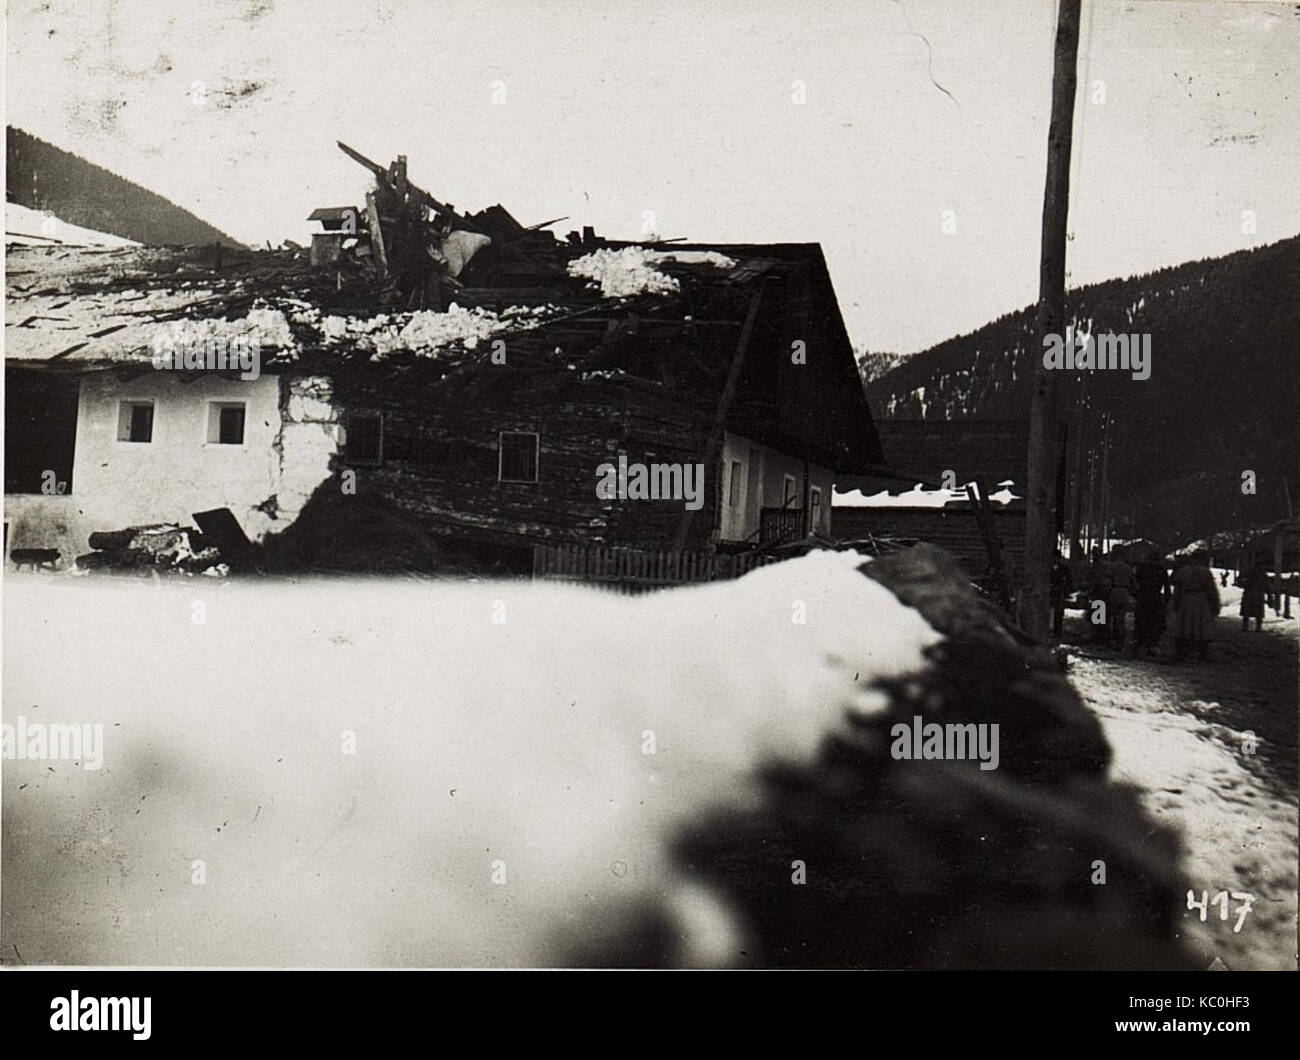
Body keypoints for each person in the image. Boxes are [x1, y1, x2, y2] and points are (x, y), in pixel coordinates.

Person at [1172, 554, 1220, 661]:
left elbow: (1177, 590)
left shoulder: (1183, 571)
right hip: (1201, 600)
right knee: (1201, 626)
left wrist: (1176, 603)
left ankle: (1182, 652)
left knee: (1184, 625)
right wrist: (1215, 604)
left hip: (1187, 599)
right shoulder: (1206, 572)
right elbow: (1212, 590)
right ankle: (1202, 652)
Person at [1133, 550, 1170, 654]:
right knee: (1155, 621)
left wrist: (1136, 594)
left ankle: (1140, 642)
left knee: (1141, 620)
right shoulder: (1161, 569)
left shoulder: (1142, 567)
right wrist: (1167, 599)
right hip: (1156, 596)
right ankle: (1153, 643)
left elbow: (1136, 581)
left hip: (1143, 596)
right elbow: (1166, 585)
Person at [1102, 553, 1135, 651]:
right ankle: (1120, 641)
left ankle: (1109, 638)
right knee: (1121, 617)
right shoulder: (1128, 568)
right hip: (1125, 591)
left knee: (1110, 615)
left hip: (1114, 590)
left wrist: (1106, 592)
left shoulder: (1111, 566)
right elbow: (1133, 582)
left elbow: (1107, 580)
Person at [1050, 550, 1073, 641]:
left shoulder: (1064, 568)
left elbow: (1069, 581)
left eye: (1056, 558)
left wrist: (1066, 590)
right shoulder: (1047, 568)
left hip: (1059, 593)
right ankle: (1049, 631)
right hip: (1049, 593)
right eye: (1053, 557)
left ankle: (1057, 633)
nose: (1055, 559)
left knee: (1058, 613)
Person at [1240, 560, 1268, 632]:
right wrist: (1269, 595)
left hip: (1249, 594)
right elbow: (1266, 586)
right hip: (1258, 595)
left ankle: (1245, 627)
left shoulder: (1249, 573)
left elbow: (1244, 583)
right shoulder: (1263, 574)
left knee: (1247, 611)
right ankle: (1258, 628)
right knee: (1258, 613)